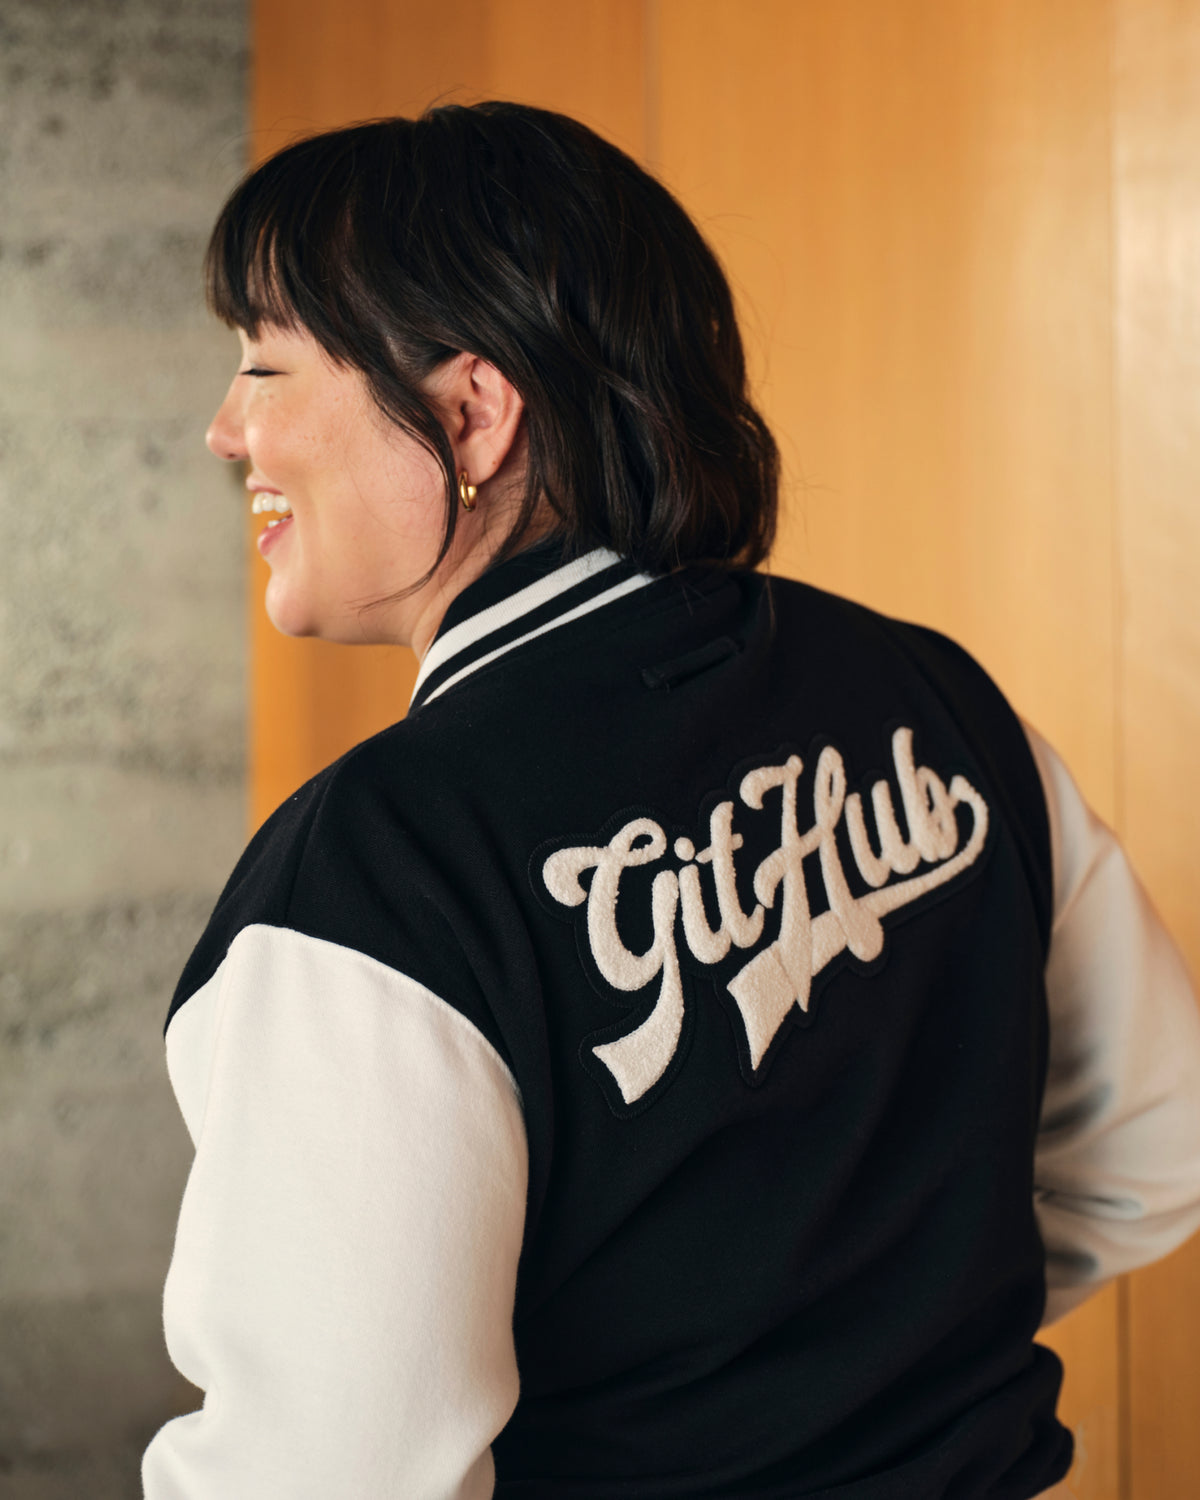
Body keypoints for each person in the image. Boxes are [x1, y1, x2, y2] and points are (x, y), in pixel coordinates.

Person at [142, 102, 1200, 1500]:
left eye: (267, 369)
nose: (227, 433)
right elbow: (1155, 1149)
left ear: (470, 411)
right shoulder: (937, 696)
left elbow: (326, 1473)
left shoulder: (380, 878)